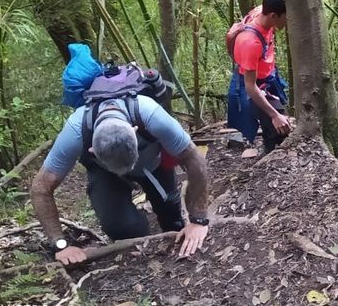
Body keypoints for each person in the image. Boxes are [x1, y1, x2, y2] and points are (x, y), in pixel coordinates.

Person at [30, 94, 211, 265]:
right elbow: (40, 188)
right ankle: (137, 239)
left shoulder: (152, 115)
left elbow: (195, 161)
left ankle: (168, 225)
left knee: (171, 214)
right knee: (122, 228)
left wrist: (198, 220)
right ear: (91, 150)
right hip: (105, 172)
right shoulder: (76, 132)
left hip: (151, 162)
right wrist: (60, 244)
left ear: (135, 130)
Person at [227, 0, 292, 154]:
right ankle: (270, 159)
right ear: (273, 16)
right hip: (254, 87)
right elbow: (250, 86)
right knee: (280, 126)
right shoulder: (250, 43)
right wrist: (274, 115)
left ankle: (269, 148)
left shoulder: (260, 12)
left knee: (276, 125)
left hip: (267, 77)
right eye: (286, 17)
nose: (288, 21)